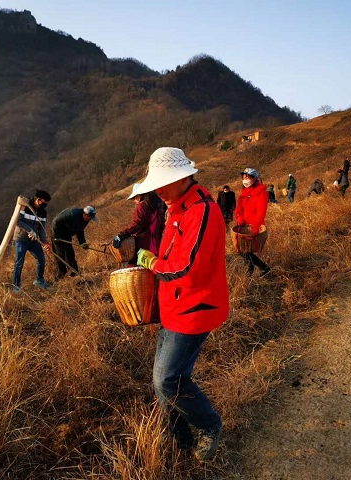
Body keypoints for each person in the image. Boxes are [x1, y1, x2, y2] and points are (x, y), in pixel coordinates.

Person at [133, 147, 228, 462]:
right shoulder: (176, 208)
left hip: (195, 309)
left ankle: (209, 425)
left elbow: (187, 268)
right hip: (175, 308)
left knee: (167, 379)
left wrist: (153, 263)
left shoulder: (202, 210)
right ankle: (182, 442)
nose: (159, 189)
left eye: (165, 182)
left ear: (185, 177)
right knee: (162, 381)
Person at [112, 183, 165, 263]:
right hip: (157, 246)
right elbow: (161, 227)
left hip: (144, 246)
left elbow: (136, 224)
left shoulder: (141, 206)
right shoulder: (158, 208)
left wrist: (121, 235)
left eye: (135, 197)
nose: (135, 201)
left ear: (140, 195)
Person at [12, 189, 51, 292]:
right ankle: (16, 286)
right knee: (19, 263)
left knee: (41, 259)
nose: (45, 205)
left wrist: (45, 242)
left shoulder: (43, 213)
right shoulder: (25, 206)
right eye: (44, 203)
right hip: (21, 239)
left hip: (34, 240)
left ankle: (39, 280)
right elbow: (17, 221)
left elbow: (41, 229)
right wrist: (30, 230)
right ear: (38, 200)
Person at [235, 168, 271, 277]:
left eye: (248, 177)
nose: (245, 180)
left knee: (245, 250)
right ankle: (253, 270)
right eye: (244, 177)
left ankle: (260, 268)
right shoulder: (244, 191)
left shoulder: (261, 192)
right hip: (243, 224)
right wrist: (239, 217)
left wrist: (256, 226)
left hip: (253, 225)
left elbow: (262, 211)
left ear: (255, 179)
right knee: (242, 249)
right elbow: (239, 207)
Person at [51, 206, 96, 278]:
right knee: (60, 254)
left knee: (70, 253)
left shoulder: (85, 220)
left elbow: (80, 231)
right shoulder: (72, 215)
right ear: (85, 214)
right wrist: (56, 236)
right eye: (90, 217)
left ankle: (74, 272)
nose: (90, 220)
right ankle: (61, 275)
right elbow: (56, 221)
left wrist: (83, 242)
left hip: (67, 234)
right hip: (57, 233)